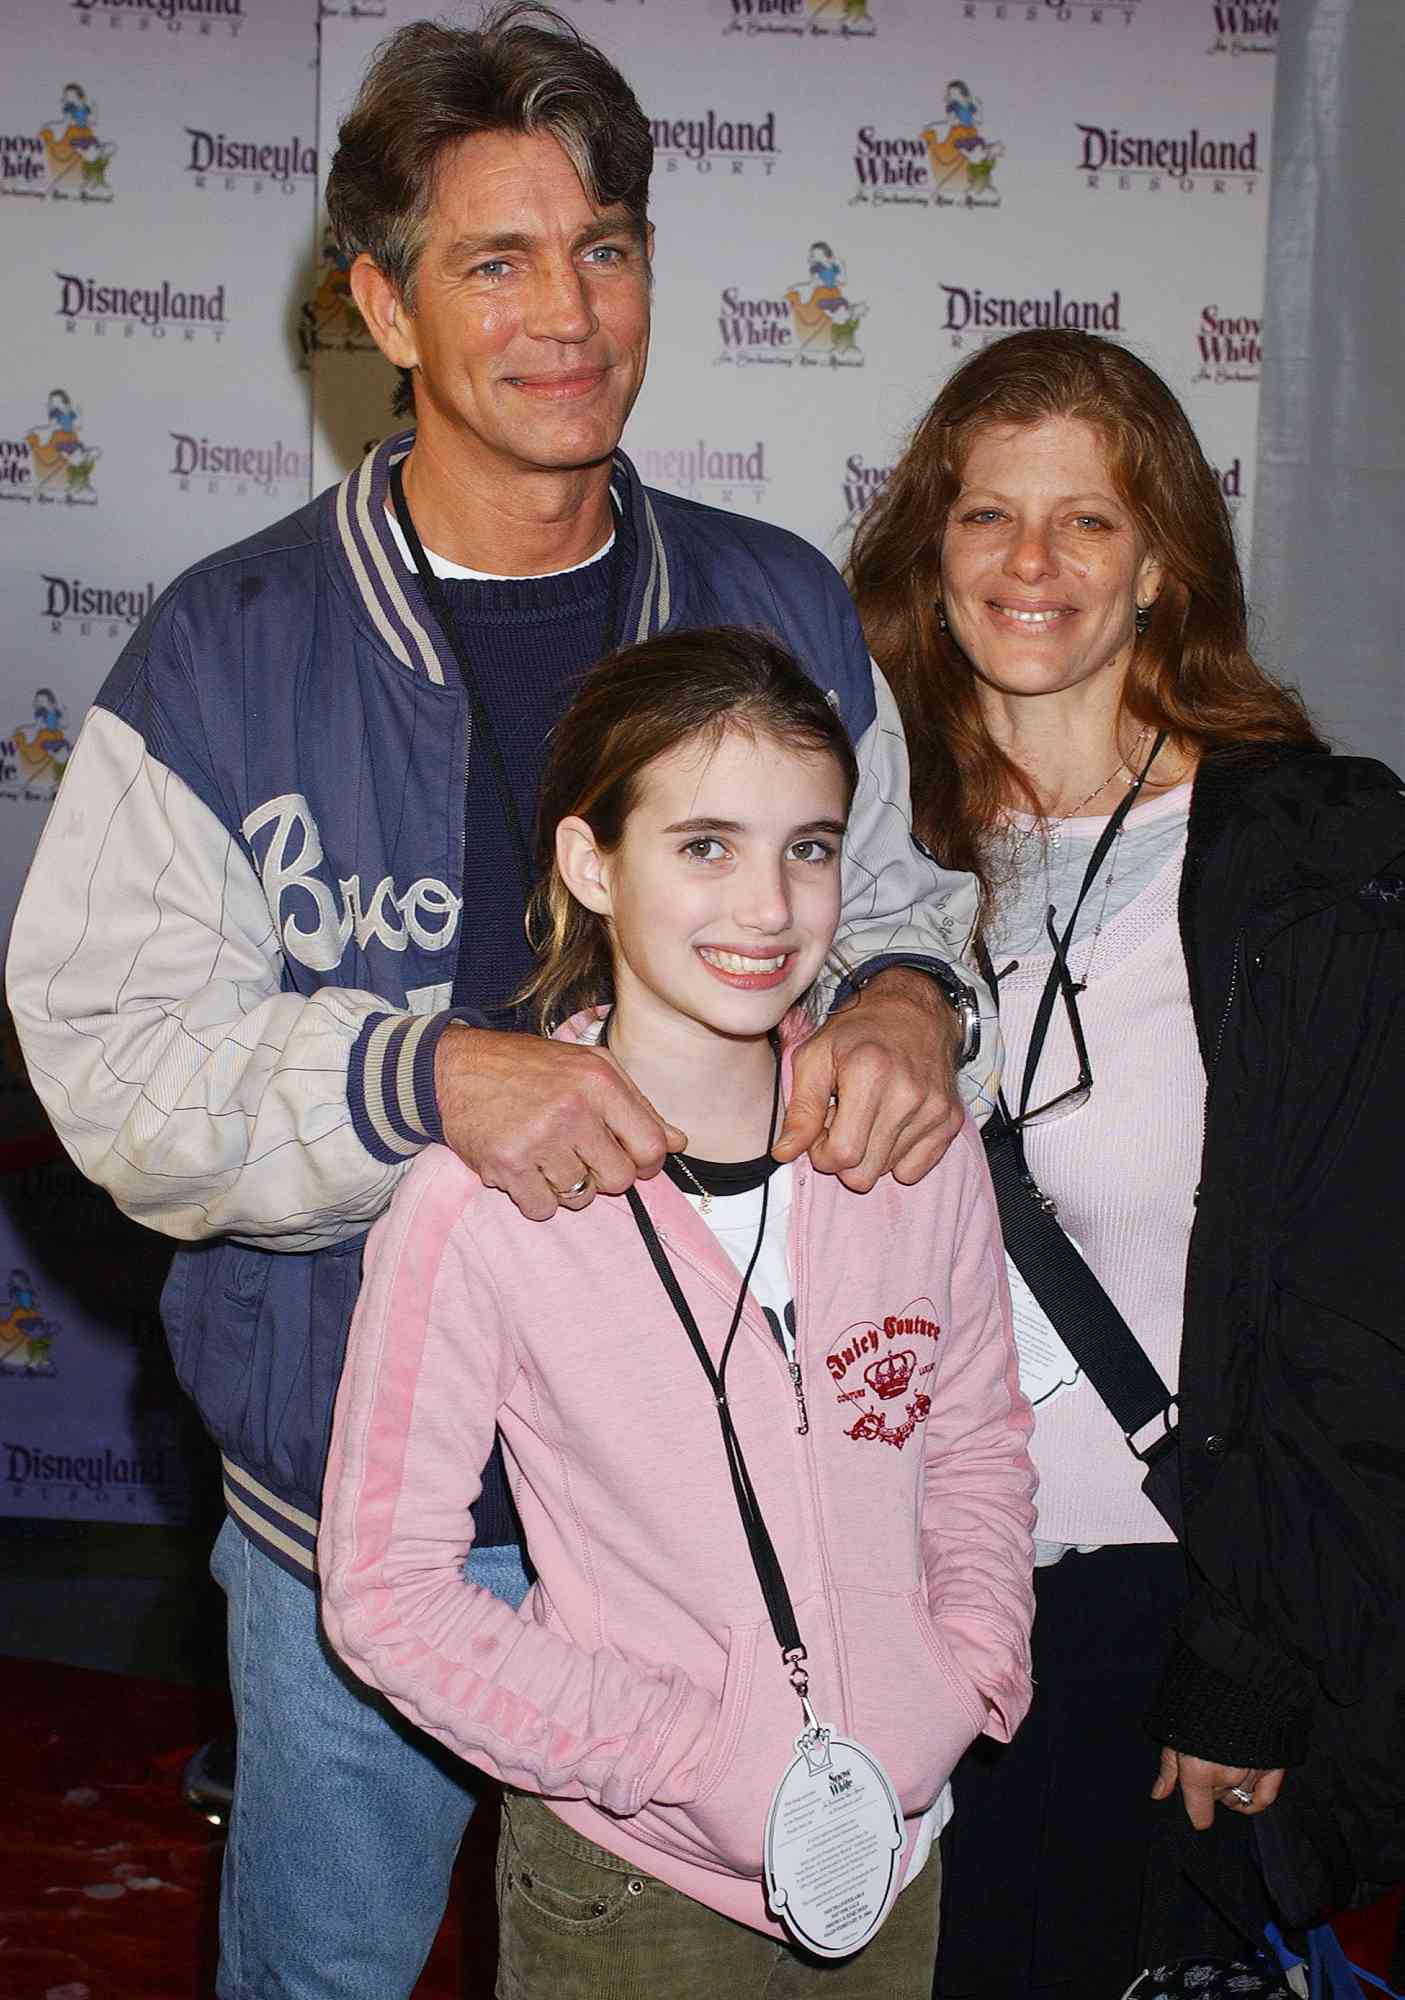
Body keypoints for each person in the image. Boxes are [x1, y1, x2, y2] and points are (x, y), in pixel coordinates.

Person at [4, 8, 993, 1995]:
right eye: (495, 260)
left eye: (604, 247)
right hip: (368, 1543)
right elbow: (105, 1061)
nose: (569, 312)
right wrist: (420, 1074)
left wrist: (902, 995)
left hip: (721, 1534)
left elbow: (898, 896)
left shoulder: (777, 599)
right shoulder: (225, 649)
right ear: (378, 300)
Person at [319, 625, 1037, 1998]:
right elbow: (388, 1595)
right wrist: (685, 1761)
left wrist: (960, 1676)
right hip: (631, 1876)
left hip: (895, 1839)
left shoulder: (906, 1146)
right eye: (703, 846)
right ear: (594, 865)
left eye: (808, 848)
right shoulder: (479, 1202)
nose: (767, 907)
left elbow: (979, 1445)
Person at [847, 327, 1405, 1998]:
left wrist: (1255, 1659)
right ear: (924, 563)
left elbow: (1359, 1306)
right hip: (889, 1618)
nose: (1031, 564)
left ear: (1158, 561)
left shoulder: (1311, 863)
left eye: (1084, 521)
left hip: (1155, 1617)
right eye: (985, 518)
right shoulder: (858, 855)